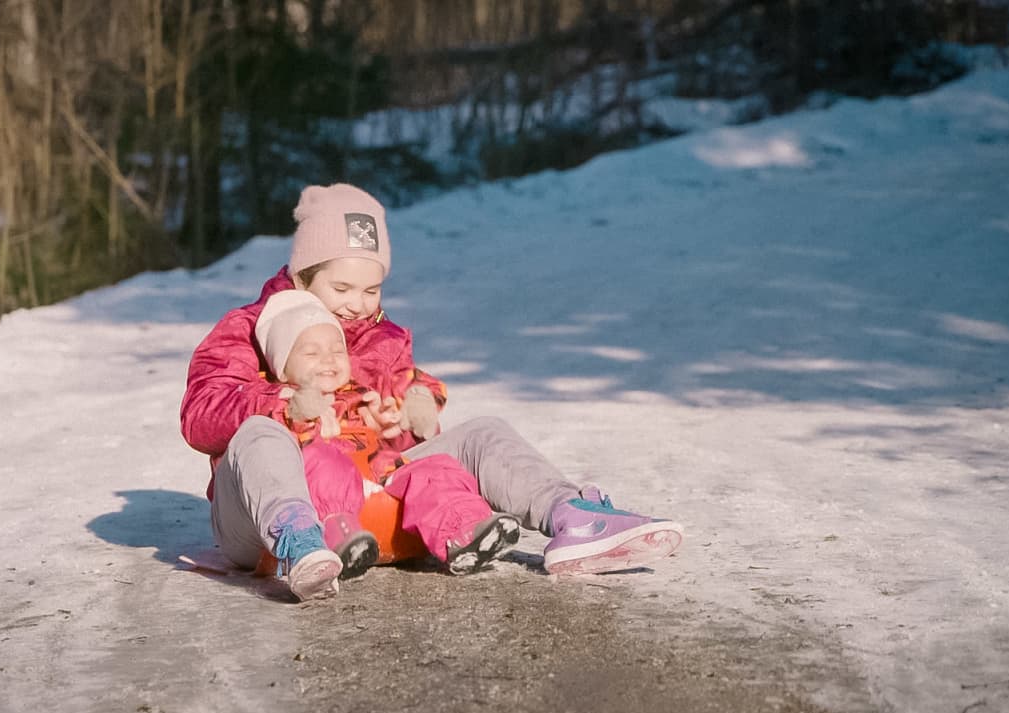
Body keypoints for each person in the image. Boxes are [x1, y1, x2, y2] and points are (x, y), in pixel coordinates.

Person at [180, 183, 682, 601]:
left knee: (483, 432)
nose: (357, 305)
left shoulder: (385, 339)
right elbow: (200, 413)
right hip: (264, 527)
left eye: (371, 290)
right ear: (302, 276)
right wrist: (283, 403)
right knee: (258, 435)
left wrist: (407, 414)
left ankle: (572, 517)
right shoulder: (248, 328)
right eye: (340, 289)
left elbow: (410, 440)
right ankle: (300, 538)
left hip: (371, 506)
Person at [253, 288, 521, 578]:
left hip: (386, 495)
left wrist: (398, 418)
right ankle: (337, 535)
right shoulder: (280, 401)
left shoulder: (364, 394)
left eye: (337, 350)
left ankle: (463, 530)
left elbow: (411, 392)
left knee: (435, 468)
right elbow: (273, 450)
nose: (329, 360)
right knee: (319, 460)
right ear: (282, 368)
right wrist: (303, 416)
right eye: (312, 353)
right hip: (344, 511)